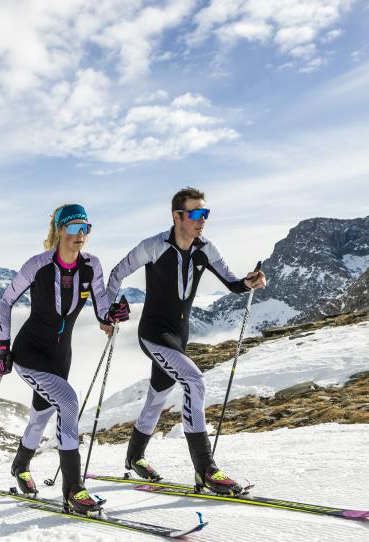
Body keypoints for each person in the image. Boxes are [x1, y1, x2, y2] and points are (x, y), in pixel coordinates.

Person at [104, 187, 266, 495]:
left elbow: (233, 283)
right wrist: (106, 312)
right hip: (153, 333)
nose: (203, 219)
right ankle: (205, 469)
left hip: (180, 336)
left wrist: (250, 282)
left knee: (158, 396)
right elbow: (116, 274)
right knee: (195, 381)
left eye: (206, 213)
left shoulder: (206, 248)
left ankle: (134, 456)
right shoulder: (153, 246)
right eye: (196, 213)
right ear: (177, 216)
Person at [0, 204, 130, 514]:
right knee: (68, 402)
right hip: (29, 352)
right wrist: (4, 347)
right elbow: (5, 302)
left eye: (86, 228)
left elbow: (102, 309)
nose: (80, 235)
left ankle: (20, 465)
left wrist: (114, 314)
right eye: (73, 228)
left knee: (41, 416)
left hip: (60, 356)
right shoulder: (38, 265)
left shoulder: (91, 266)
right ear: (59, 230)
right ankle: (73, 489)